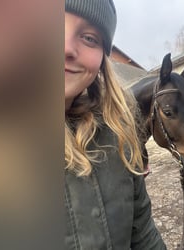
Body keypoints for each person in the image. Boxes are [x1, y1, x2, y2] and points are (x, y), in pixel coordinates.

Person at [64, 0, 166, 249]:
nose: (65, 48)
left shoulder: (117, 137)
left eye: (89, 38)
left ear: (101, 59)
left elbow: (143, 236)